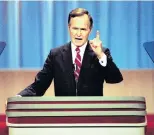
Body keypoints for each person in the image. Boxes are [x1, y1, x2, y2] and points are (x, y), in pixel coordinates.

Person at [17, 8, 123, 97]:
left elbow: (115, 78)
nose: (78, 33)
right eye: (75, 28)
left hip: (92, 115)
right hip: (64, 116)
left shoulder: (101, 53)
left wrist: (100, 55)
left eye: (83, 29)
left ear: (90, 30)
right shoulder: (55, 55)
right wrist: (18, 98)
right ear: (69, 28)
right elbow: (39, 86)